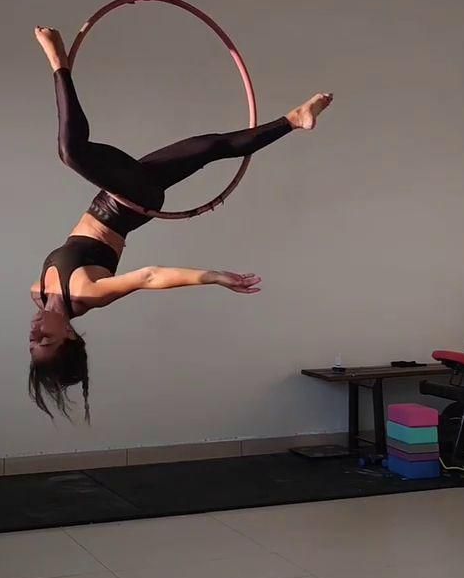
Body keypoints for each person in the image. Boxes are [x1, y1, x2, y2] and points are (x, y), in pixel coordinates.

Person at [30, 27, 333, 420]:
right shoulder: (89, 294)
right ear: (69, 335)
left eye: (32, 341)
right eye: (46, 340)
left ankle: (295, 119)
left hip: (115, 190)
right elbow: (149, 277)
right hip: (131, 200)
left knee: (209, 147)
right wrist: (213, 276)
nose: (35, 331)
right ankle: (59, 63)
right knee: (72, 153)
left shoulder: (38, 291)